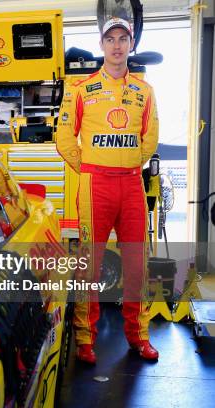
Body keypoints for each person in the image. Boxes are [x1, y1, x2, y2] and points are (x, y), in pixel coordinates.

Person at [56, 17, 160, 363]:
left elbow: (150, 138)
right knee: (90, 264)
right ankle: (85, 339)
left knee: (137, 264)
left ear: (131, 44)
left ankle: (139, 336)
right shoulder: (80, 89)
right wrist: (87, 167)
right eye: (110, 39)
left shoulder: (144, 91)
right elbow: (65, 137)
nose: (117, 45)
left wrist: (130, 162)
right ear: (102, 45)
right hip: (94, 184)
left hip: (131, 182)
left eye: (123, 39)